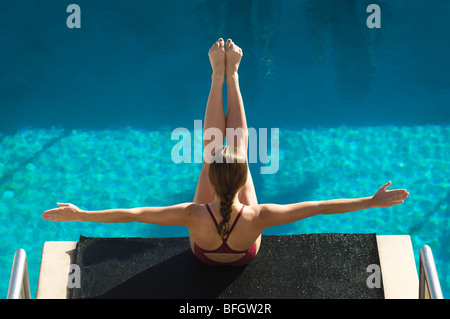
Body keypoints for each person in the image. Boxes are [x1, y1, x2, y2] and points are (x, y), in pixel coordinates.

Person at [42, 38, 409, 266]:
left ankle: (221, 77)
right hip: (243, 253)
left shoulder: (192, 214)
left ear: (215, 182)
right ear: (237, 179)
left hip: (203, 253)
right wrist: (371, 202)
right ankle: (230, 77)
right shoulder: (259, 215)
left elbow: (133, 214)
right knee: (229, 150)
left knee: (220, 151)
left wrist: (81, 214)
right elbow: (320, 207)